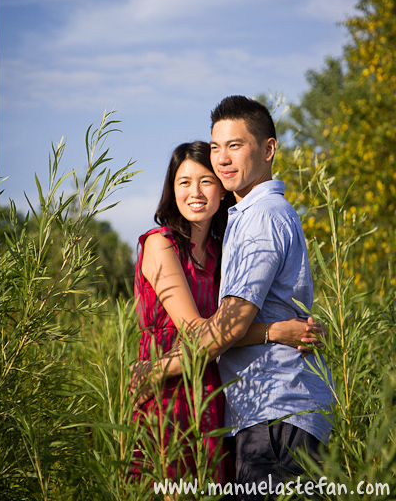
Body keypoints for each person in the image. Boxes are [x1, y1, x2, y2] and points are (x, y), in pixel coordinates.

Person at [130, 96, 333, 499]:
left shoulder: (259, 218)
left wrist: (157, 369)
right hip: (210, 401)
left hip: (272, 409)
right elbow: (210, 328)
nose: (222, 159)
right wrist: (276, 330)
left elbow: (223, 330)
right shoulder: (208, 233)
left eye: (235, 146)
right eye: (217, 147)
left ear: (268, 149)